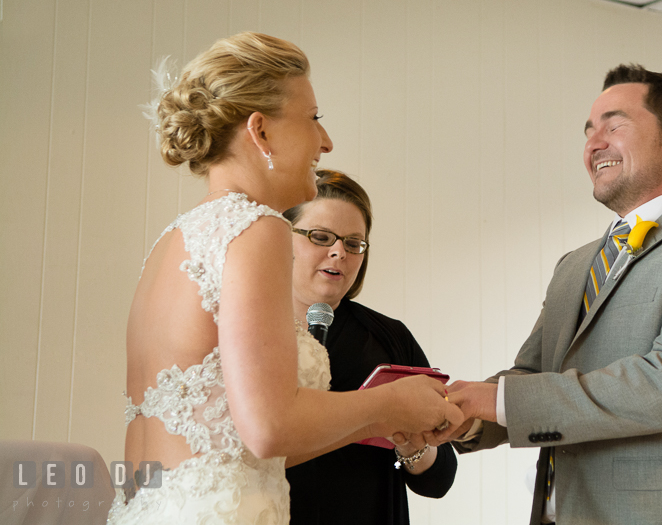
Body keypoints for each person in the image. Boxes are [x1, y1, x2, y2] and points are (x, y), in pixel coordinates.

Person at [108, 32, 462, 525]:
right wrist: (391, 401)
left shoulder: (173, 240)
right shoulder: (257, 229)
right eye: (313, 119)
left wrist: (387, 419)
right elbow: (269, 429)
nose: (326, 141)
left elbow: (233, 448)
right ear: (261, 131)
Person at [435, 64, 662, 524]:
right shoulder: (575, 264)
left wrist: (491, 400)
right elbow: (532, 373)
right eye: (588, 132)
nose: (593, 145)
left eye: (614, 126)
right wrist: (459, 414)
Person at [283, 170, 457, 525]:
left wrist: (413, 446)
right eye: (320, 237)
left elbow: (440, 479)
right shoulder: (246, 329)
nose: (338, 252)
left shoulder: (388, 337)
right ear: (281, 238)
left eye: (353, 243)